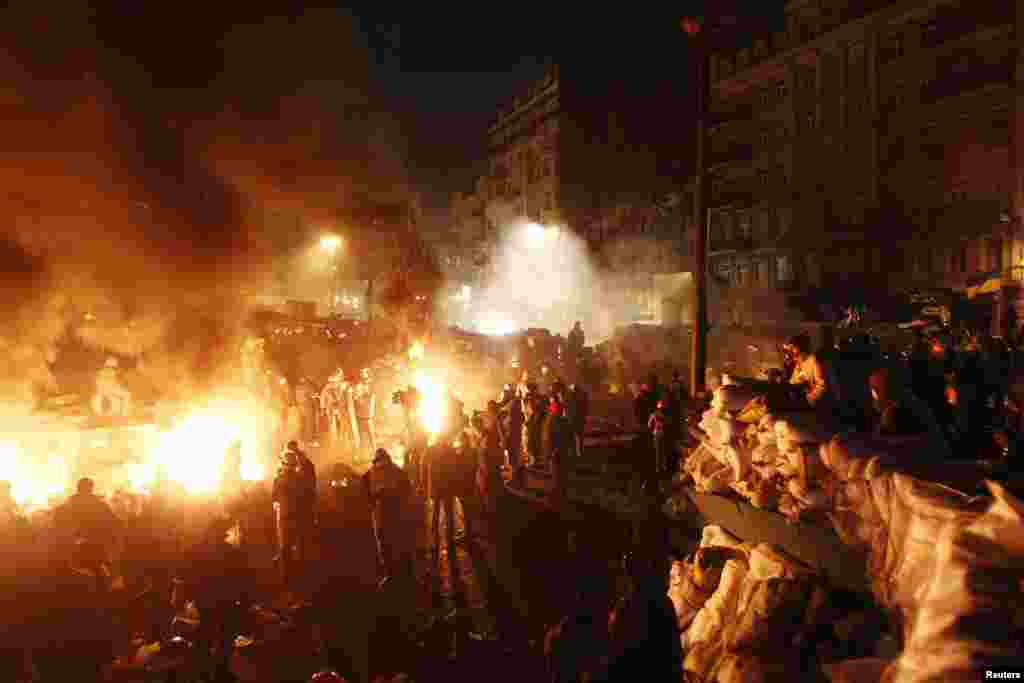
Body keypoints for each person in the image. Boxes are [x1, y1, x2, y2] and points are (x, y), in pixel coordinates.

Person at [178, 516, 252, 682]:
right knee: (224, 636)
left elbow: (187, 575)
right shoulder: (231, 552)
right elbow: (242, 578)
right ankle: (219, 671)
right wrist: (244, 600)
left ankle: (203, 671)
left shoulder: (197, 550)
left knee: (207, 633)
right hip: (224, 600)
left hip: (206, 599)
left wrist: (188, 595)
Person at [362, 449, 413, 585]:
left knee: (387, 544)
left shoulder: (371, 474)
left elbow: (366, 494)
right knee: (395, 542)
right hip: (391, 514)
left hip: (384, 515)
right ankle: (402, 572)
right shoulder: (396, 472)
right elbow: (407, 490)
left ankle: (393, 573)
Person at [272, 442, 317, 587]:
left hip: (285, 517)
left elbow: (275, 499)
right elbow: (308, 496)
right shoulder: (299, 478)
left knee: (285, 548)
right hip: (297, 516)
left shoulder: (280, 479)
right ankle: (300, 578)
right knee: (298, 547)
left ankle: (287, 580)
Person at [54, 477, 122, 562]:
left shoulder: (69, 502)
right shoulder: (98, 503)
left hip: (74, 542)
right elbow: (114, 520)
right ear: (91, 488)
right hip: (92, 542)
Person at [783, 334, 832, 409]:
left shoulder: (813, 361)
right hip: (801, 405)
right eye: (790, 348)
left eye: (793, 347)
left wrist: (809, 399)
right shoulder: (798, 364)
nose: (790, 351)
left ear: (800, 347)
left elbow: (822, 385)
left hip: (813, 407)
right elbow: (793, 383)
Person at [543, 396, 571, 507]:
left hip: (557, 453)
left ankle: (556, 502)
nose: (551, 407)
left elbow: (549, 438)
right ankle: (560, 500)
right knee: (560, 479)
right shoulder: (560, 420)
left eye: (553, 406)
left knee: (557, 478)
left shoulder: (554, 420)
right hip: (559, 453)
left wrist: (551, 452)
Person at [350, 369, 378, 462]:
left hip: (367, 417)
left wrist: (361, 397)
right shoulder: (359, 387)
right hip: (361, 417)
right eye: (362, 374)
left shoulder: (369, 388)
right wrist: (357, 397)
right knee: (361, 439)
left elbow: (369, 396)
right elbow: (355, 399)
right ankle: (360, 456)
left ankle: (374, 454)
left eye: (365, 374)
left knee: (371, 438)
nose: (364, 377)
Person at [648, 400, 669, 481]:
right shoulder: (662, 415)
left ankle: (660, 468)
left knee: (660, 451)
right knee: (660, 451)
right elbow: (650, 424)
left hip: (658, 433)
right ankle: (660, 467)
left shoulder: (654, 414)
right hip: (660, 434)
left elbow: (649, 424)